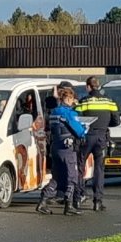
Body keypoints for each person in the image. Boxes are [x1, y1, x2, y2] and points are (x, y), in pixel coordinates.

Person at [36, 86, 86, 216]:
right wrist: (85, 127)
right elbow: (79, 132)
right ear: (68, 98)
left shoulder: (54, 112)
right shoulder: (69, 113)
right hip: (67, 148)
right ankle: (68, 205)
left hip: (55, 147)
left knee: (57, 177)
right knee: (72, 177)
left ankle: (42, 202)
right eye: (72, 99)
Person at [75, 76, 120, 211]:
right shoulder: (109, 102)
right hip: (102, 136)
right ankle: (98, 201)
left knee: (80, 166)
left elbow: (77, 119)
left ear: (88, 87)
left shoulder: (84, 102)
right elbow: (117, 121)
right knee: (99, 169)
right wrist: (105, 124)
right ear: (98, 86)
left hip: (87, 136)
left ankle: (78, 197)